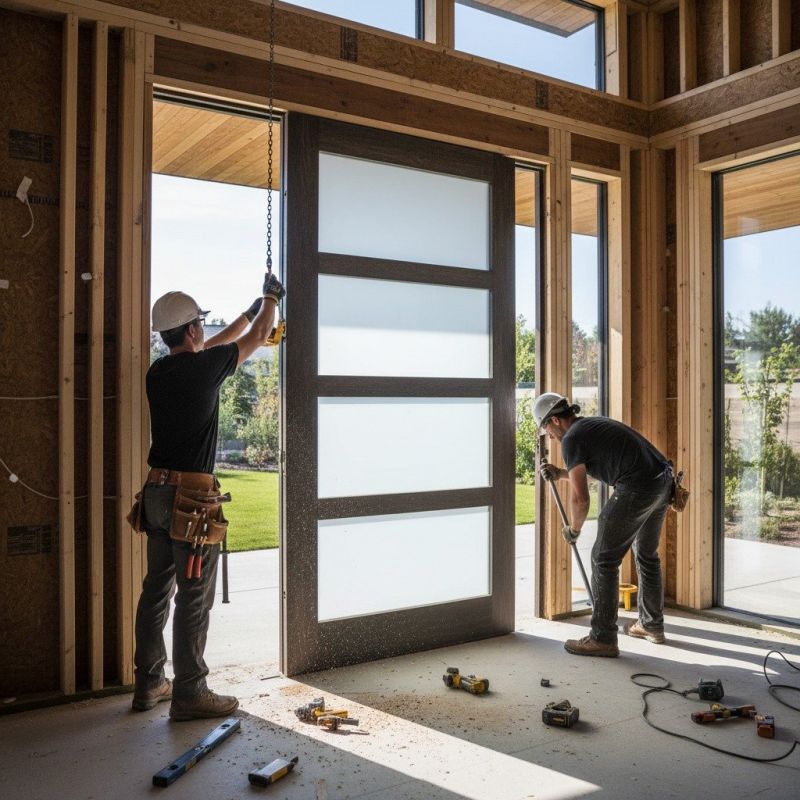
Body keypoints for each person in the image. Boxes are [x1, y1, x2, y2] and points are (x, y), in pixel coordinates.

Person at [130, 273, 284, 720]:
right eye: (200, 324)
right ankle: (190, 692)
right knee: (193, 597)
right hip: (191, 502)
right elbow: (257, 338)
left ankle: (149, 684)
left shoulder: (159, 372)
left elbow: (228, 337)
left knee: (155, 591)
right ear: (193, 331)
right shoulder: (205, 367)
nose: (204, 330)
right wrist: (271, 299)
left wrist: (252, 309)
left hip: (155, 495)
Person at [534, 392, 673, 658]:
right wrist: (560, 473)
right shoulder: (591, 426)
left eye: (547, 429)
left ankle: (603, 638)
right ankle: (651, 625)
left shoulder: (572, 439)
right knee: (646, 555)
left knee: (603, 559)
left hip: (638, 488)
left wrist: (574, 529)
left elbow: (580, 498)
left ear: (554, 420)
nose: (549, 436)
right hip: (662, 483)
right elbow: (604, 467)